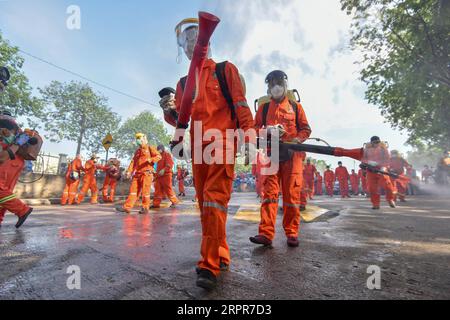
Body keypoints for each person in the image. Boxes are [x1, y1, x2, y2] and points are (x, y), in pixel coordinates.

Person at [159, 18, 254, 289]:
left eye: (194, 40)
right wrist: (168, 110)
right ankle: (221, 252)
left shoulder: (225, 70)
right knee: (206, 206)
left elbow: (241, 105)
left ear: (206, 42)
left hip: (223, 144)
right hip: (198, 150)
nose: (191, 46)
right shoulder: (183, 82)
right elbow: (180, 119)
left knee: (213, 202)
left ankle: (209, 265)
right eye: (186, 43)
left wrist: (249, 138)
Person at [249, 70, 311, 249]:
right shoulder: (264, 108)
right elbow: (253, 129)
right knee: (269, 195)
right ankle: (266, 233)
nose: (276, 87)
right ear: (268, 87)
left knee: (291, 196)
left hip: (292, 154)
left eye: (279, 83)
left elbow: (306, 128)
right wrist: (266, 131)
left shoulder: (295, 107)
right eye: (272, 84)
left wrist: (297, 139)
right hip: (271, 154)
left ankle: (292, 233)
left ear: (285, 85)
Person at [0, 113, 34, 228]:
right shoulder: (18, 130)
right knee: (6, 192)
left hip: (8, 159)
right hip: (16, 162)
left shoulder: (5, 123)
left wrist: (16, 144)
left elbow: (2, 157)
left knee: (1, 190)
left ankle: (22, 210)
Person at [117, 133, 161, 214]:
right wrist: (129, 172)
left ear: (144, 139)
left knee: (145, 192)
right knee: (133, 191)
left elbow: (159, 156)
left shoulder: (150, 148)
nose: (138, 140)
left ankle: (145, 208)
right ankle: (127, 207)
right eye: (137, 138)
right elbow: (133, 162)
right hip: (137, 174)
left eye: (139, 138)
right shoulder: (137, 151)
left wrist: (151, 159)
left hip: (147, 174)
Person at [362, 136, 396, 209]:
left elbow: (387, 159)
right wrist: (368, 163)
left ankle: (390, 200)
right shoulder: (366, 150)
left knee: (388, 186)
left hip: (382, 170)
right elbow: (363, 159)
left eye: (378, 142)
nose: (377, 144)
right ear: (371, 143)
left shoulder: (383, 149)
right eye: (375, 142)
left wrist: (384, 167)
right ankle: (375, 204)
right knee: (372, 188)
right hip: (371, 171)